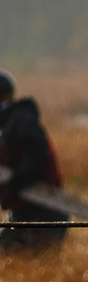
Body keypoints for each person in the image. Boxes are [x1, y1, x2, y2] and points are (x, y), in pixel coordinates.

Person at [0, 69, 68, 254]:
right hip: (25, 212)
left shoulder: (21, 122)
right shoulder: (11, 123)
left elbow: (37, 159)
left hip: (43, 212)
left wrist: (13, 182)